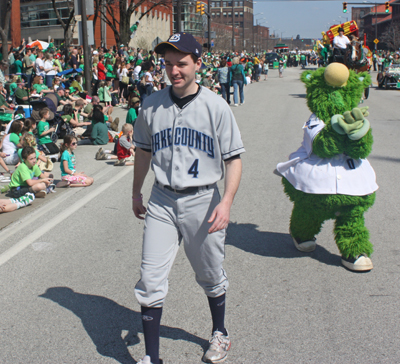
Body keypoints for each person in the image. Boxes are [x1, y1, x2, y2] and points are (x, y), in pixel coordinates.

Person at [132, 32, 245, 364]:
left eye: (181, 63)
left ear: (197, 63)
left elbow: (233, 158)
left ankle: (220, 332)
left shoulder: (216, 106)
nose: (174, 71)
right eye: (168, 64)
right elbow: (142, 151)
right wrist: (137, 192)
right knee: (150, 279)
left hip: (202, 200)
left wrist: (226, 202)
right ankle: (152, 357)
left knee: (210, 274)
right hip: (162, 200)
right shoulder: (151, 104)